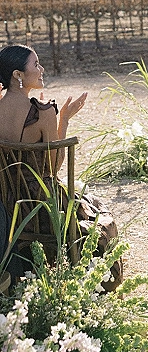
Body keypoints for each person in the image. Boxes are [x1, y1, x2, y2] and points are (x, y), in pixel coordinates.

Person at [0, 44, 122, 287]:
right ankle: (94, 280)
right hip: (39, 205)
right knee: (94, 210)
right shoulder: (42, 112)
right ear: (18, 75)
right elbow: (53, 167)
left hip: (5, 201)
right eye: (36, 64)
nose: (41, 69)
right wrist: (63, 119)